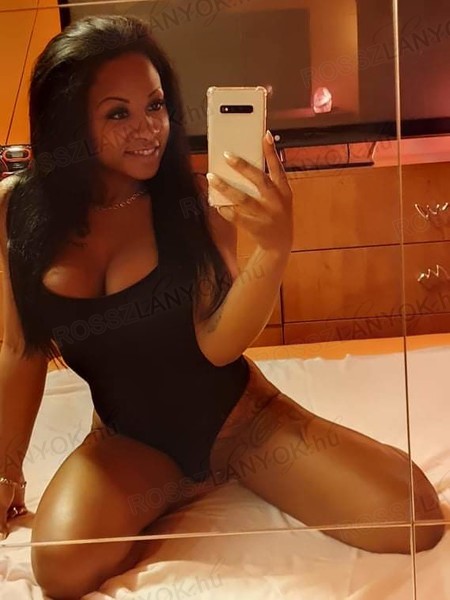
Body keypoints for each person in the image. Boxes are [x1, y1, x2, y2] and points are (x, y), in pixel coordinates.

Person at [0, 14, 444, 600]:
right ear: (68, 122)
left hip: (241, 425)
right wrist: (7, 469)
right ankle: (174, 486)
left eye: (156, 105)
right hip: (129, 443)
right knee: (60, 568)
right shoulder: (16, 213)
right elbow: (19, 349)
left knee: (413, 517)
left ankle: (228, 469)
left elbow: (218, 344)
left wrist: (274, 250)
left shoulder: (192, 205)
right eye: (118, 113)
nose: (148, 129)